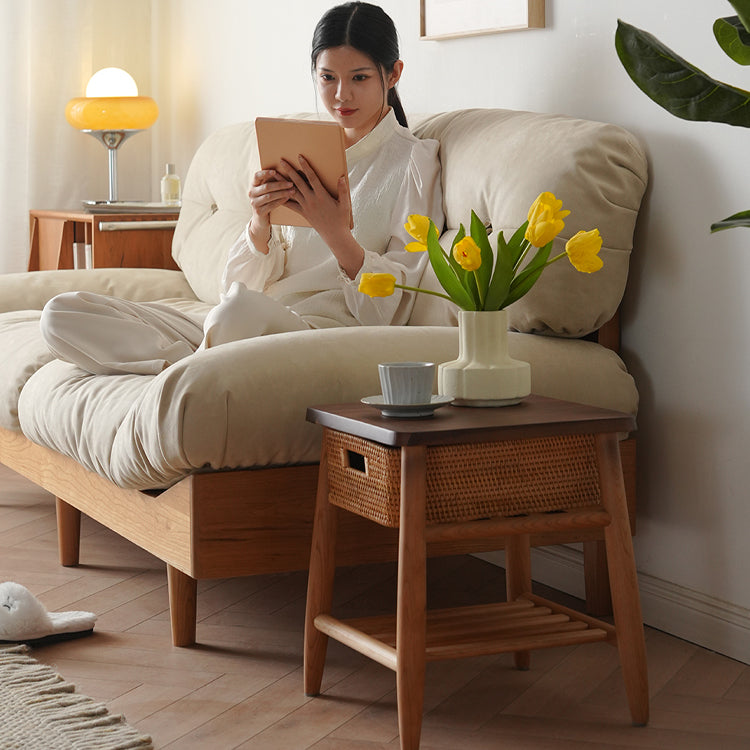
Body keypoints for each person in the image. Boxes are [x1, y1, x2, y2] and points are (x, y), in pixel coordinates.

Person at [40, 2, 444, 375]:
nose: (341, 95)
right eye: (327, 77)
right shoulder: (299, 149)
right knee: (63, 312)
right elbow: (236, 288)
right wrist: (259, 223)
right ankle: (194, 369)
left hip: (310, 333)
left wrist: (336, 234)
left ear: (392, 74)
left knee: (237, 313)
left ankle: (198, 368)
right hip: (241, 320)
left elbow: (391, 308)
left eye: (359, 77)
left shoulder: (414, 162)